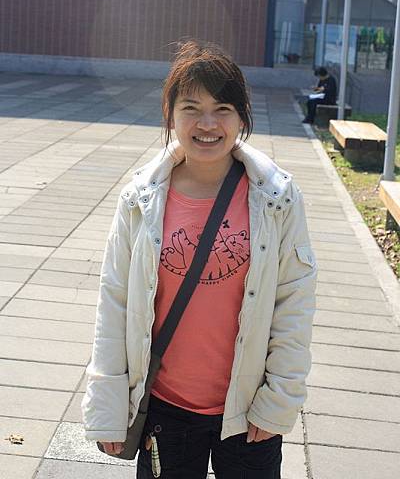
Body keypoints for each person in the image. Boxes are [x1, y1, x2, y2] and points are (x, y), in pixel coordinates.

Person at [82, 40, 317, 478]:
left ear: (242, 117)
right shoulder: (140, 198)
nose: (207, 124)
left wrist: (279, 400)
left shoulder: (277, 198)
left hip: (248, 411)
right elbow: (114, 302)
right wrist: (108, 402)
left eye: (222, 109)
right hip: (165, 408)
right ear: (170, 115)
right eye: (191, 108)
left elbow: (294, 303)